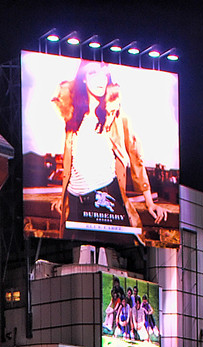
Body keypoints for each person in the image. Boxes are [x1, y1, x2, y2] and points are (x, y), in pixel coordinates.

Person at [51, 61, 168, 240]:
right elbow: (71, 160)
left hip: (105, 197)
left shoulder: (116, 115)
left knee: (117, 249)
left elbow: (136, 155)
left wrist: (149, 201)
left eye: (104, 75)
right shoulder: (72, 116)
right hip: (75, 203)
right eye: (93, 74)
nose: (100, 80)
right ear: (83, 79)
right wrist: (63, 196)